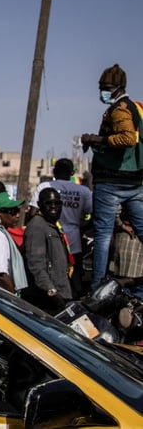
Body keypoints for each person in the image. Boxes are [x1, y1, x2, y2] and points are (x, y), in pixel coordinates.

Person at [81, 64, 143, 290]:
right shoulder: (136, 108)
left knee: (103, 235)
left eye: (106, 87)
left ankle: (97, 286)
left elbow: (128, 138)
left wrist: (99, 140)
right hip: (134, 182)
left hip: (112, 181)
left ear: (118, 88)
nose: (102, 92)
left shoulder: (120, 109)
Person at [27, 158, 92, 297]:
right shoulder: (83, 191)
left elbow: (32, 213)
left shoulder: (44, 186)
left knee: (53, 272)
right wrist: (82, 227)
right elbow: (95, 214)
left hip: (48, 237)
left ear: (54, 171)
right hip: (74, 239)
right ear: (72, 172)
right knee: (74, 275)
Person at [22, 188, 73, 314]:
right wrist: (51, 292)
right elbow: (36, 265)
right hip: (47, 300)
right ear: (39, 205)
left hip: (61, 293)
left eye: (57, 203)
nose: (53, 207)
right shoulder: (37, 226)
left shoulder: (52, 225)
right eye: (49, 203)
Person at [109, 205, 143, 279]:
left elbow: (114, 210)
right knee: (124, 279)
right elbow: (114, 211)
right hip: (128, 237)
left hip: (130, 237)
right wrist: (122, 225)